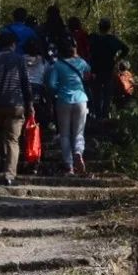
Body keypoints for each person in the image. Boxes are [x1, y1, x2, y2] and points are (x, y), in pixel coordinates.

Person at [0, 30, 34, 185]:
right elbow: (25, 84)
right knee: (12, 139)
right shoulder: (19, 60)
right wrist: (30, 104)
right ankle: (9, 174)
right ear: (13, 44)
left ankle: (4, 162)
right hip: (16, 104)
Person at [46, 37, 92, 175]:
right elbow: (88, 75)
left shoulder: (57, 65)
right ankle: (78, 152)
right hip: (81, 100)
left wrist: (57, 92)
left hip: (63, 100)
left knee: (65, 134)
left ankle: (69, 166)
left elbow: (51, 84)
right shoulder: (81, 62)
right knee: (78, 133)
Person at [86, 18, 130, 120]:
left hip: (95, 70)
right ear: (109, 27)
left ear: (99, 27)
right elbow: (126, 49)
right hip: (108, 70)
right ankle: (104, 118)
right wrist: (117, 59)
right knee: (107, 96)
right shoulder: (113, 40)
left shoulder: (93, 38)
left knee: (96, 95)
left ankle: (98, 117)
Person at [23, 39, 52, 135]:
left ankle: (25, 131)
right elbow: (47, 76)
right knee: (37, 109)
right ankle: (37, 131)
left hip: (23, 87)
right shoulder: (43, 61)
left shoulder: (21, 59)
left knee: (25, 109)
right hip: (37, 88)